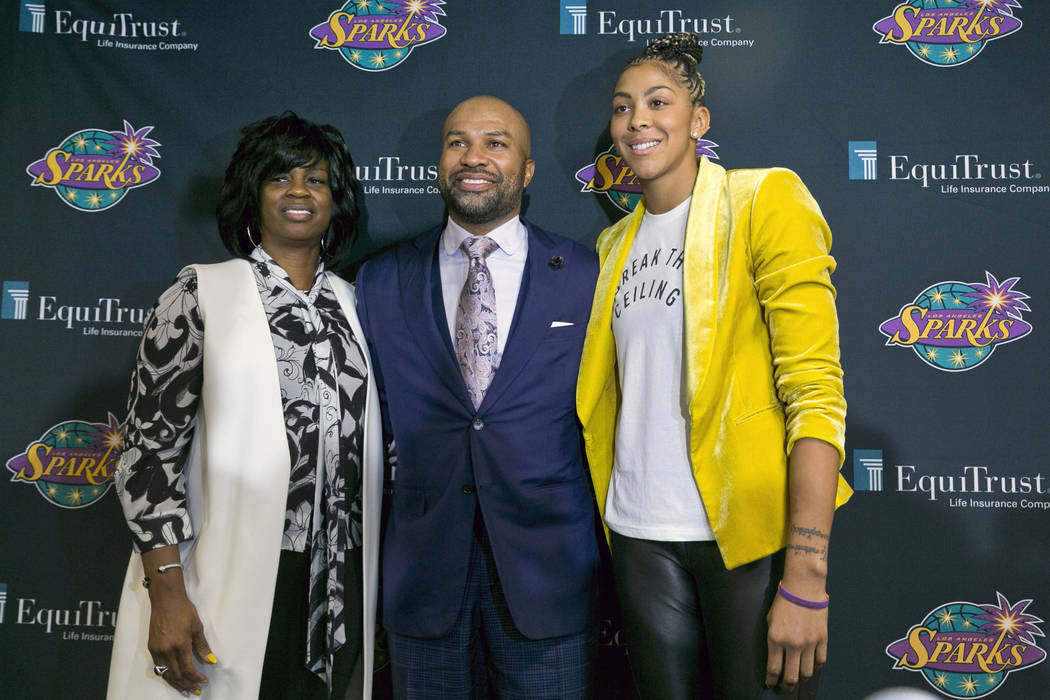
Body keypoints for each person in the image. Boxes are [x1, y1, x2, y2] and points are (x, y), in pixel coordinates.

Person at [576, 34, 852, 699]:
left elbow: (814, 392)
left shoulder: (763, 201)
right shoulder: (611, 244)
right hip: (639, 535)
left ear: (698, 121)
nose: (637, 119)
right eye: (622, 107)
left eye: (657, 101)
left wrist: (807, 574)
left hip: (746, 539)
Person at [107, 112, 382, 700]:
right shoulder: (202, 293)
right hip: (225, 574)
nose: (300, 191)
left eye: (317, 179)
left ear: (338, 200)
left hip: (338, 582)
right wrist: (167, 592)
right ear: (253, 194)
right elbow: (148, 453)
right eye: (280, 177)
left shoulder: (357, 306)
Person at [355, 95, 600, 699]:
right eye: (457, 141)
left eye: (496, 142)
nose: (474, 156)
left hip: (550, 571)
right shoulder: (379, 278)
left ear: (529, 168)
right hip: (421, 571)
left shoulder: (588, 274)